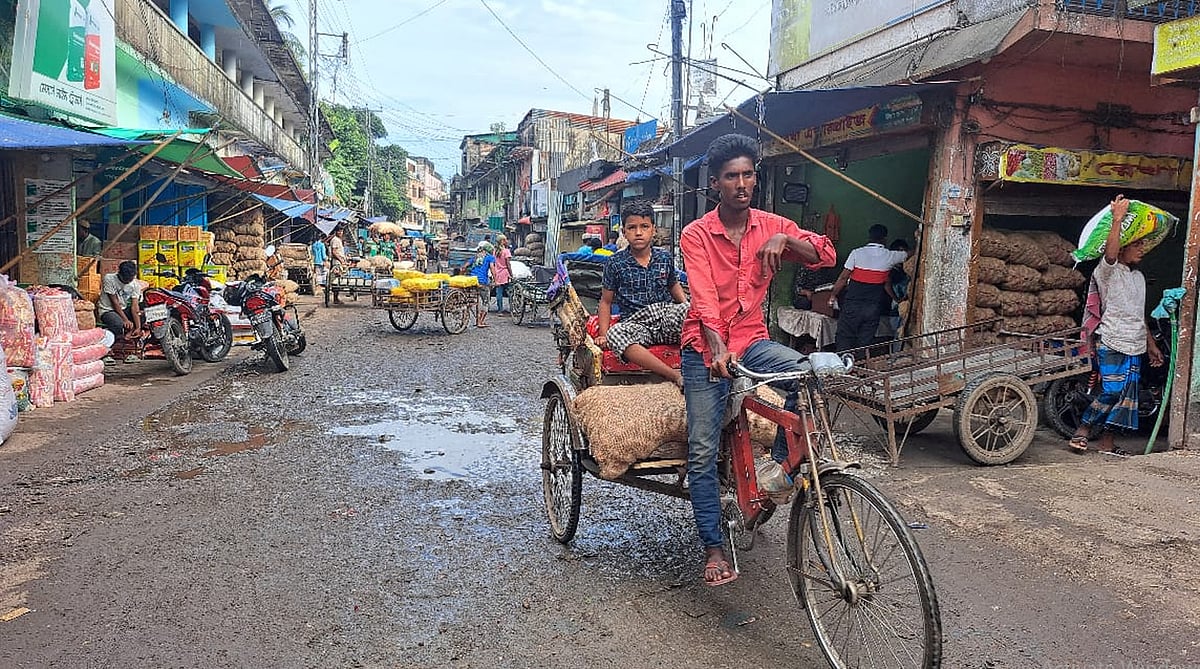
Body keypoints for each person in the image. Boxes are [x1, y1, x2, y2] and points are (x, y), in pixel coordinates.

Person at [680, 134, 836, 587]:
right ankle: (713, 547)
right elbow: (704, 299)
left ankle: (779, 472)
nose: (742, 183)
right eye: (732, 176)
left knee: (808, 377)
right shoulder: (696, 234)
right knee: (702, 450)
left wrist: (787, 239)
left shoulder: (772, 225)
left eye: (748, 174)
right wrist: (716, 349)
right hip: (705, 350)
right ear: (716, 183)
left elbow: (826, 255)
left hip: (752, 341)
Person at [1069, 194, 1164, 456]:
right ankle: (1083, 429)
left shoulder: (1139, 278)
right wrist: (1117, 219)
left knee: (1126, 397)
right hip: (1111, 339)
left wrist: (1151, 345)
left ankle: (1107, 443)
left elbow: (1138, 315)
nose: (1142, 249)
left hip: (1135, 343)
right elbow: (1110, 254)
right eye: (1137, 245)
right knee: (1112, 390)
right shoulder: (1107, 271)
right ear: (1123, 248)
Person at [595, 200, 689, 387]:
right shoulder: (614, 263)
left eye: (644, 226)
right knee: (616, 334)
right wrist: (604, 335)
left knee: (697, 313)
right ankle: (674, 375)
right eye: (632, 227)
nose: (638, 232)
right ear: (624, 232)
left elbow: (674, 286)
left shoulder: (664, 257)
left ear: (653, 229)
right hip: (636, 323)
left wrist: (687, 308)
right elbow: (606, 301)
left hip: (665, 318)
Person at [829, 224, 911, 354]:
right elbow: (909, 255)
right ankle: (861, 365)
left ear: (869, 237)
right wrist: (897, 299)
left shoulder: (856, 253)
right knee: (865, 341)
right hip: (873, 308)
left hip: (852, 305)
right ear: (885, 238)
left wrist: (833, 295)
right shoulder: (890, 256)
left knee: (845, 337)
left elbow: (843, 278)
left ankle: (843, 362)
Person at [98, 261, 143, 340]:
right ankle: (119, 339)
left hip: (123, 309)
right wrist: (125, 320)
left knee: (142, 315)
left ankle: (132, 331)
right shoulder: (109, 278)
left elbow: (134, 306)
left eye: (130, 279)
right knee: (118, 324)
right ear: (119, 273)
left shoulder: (135, 285)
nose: (128, 281)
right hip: (108, 310)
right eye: (126, 279)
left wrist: (138, 327)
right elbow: (115, 302)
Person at [467, 241, 496, 327]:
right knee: (485, 302)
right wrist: (495, 280)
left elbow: (464, 266)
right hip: (482, 282)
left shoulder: (476, 256)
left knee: (472, 301)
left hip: (472, 281)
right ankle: (480, 321)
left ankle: (471, 319)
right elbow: (492, 269)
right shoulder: (490, 257)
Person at [492, 235, 513, 314]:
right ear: (502, 241)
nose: (507, 241)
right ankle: (512, 309)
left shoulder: (495, 251)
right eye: (505, 239)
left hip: (497, 274)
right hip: (505, 274)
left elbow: (494, 263)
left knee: (499, 293)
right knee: (510, 292)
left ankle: (500, 310)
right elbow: (508, 264)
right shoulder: (506, 251)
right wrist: (511, 274)